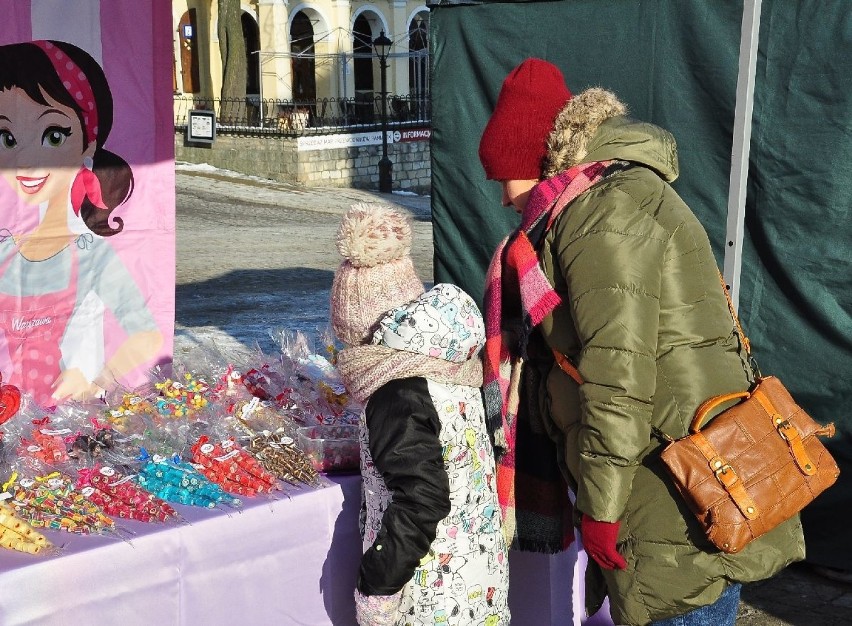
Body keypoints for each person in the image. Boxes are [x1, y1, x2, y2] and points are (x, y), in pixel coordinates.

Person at [477, 58, 805, 626]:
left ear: (538, 157)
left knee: (685, 605)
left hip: (668, 483)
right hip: (667, 463)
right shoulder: (603, 198)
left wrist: (601, 508)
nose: (504, 197)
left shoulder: (603, 213)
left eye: (504, 174)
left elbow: (617, 372)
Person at [330, 202, 510, 626]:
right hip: (474, 586)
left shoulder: (397, 393)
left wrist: (377, 586)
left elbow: (421, 499)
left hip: (429, 597)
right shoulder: (451, 364)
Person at [0, 40, 162, 406]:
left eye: (53, 136)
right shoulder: (4, 250)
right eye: (6, 138)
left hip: (67, 427)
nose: (26, 162)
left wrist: (97, 378)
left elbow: (146, 335)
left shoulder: (90, 254)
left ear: (88, 144)